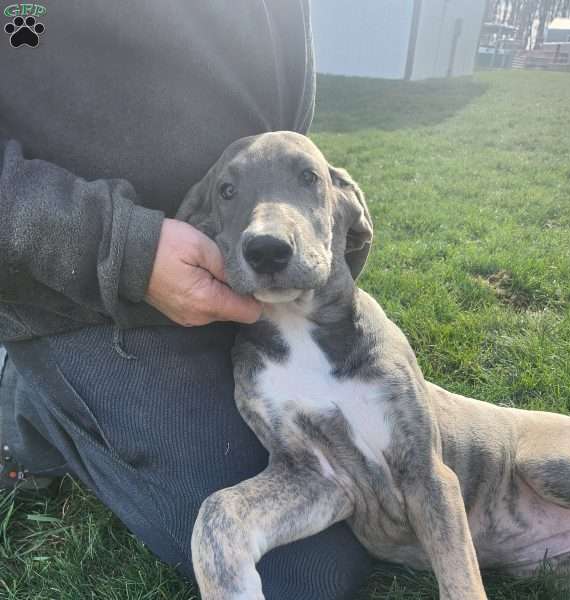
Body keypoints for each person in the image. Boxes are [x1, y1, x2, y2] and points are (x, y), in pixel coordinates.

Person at [0, 1, 372, 597]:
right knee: (300, 576)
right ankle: (31, 397)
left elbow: (281, 113)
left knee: (378, 476)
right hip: (87, 296)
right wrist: (127, 251)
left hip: (243, 275)